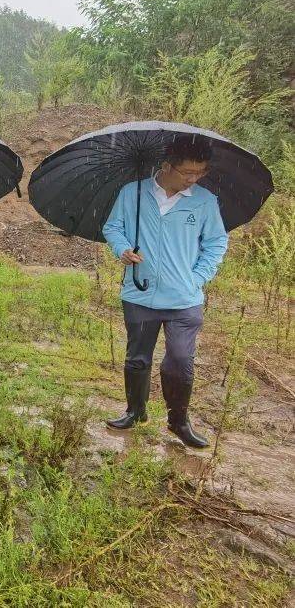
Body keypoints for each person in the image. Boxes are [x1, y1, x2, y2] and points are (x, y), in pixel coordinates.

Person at [103, 135, 229, 448]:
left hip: (184, 299)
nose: (193, 179)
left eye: (200, 173)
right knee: (137, 358)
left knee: (181, 359)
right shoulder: (133, 193)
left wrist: (197, 277)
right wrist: (122, 249)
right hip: (139, 292)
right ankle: (135, 412)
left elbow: (216, 242)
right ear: (166, 166)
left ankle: (178, 422)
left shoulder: (203, 201)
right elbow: (112, 227)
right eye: (187, 172)